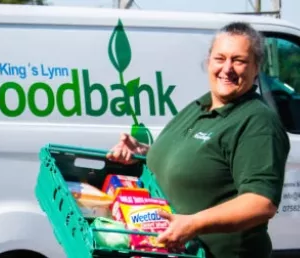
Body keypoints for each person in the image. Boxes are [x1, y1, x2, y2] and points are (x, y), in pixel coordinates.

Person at [106, 22, 290, 258]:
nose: (227, 68)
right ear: (208, 61)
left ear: (256, 68)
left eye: (239, 60)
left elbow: (260, 202)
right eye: (220, 58)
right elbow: (200, 158)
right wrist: (143, 152)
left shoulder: (257, 122)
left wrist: (194, 223)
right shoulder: (199, 106)